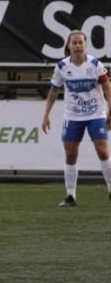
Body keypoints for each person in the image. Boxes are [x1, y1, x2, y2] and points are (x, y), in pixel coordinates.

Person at [41, 30, 111, 207]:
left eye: (81, 43)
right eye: (75, 43)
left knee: (103, 151)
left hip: (96, 114)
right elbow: (53, 91)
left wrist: (110, 110)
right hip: (73, 116)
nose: (78, 46)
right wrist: (46, 115)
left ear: (85, 45)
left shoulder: (95, 64)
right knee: (70, 154)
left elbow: (107, 88)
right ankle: (70, 196)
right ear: (69, 46)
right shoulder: (62, 67)